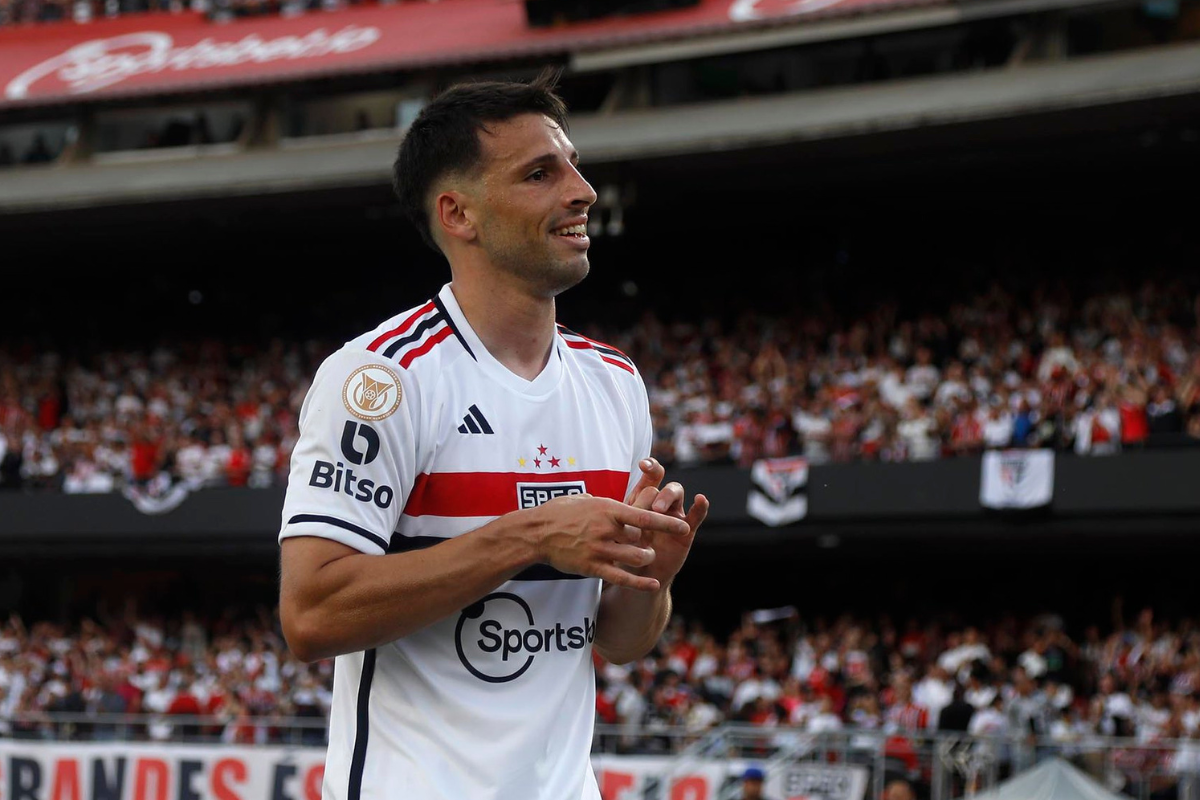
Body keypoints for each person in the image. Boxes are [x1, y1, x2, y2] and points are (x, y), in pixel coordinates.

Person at [277, 70, 708, 800]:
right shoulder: (380, 380)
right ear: (459, 214)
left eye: (574, 165)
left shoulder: (615, 382)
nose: (582, 191)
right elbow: (311, 613)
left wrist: (651, 579)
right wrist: (530, 537)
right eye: (541, 173)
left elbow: (621, 640)